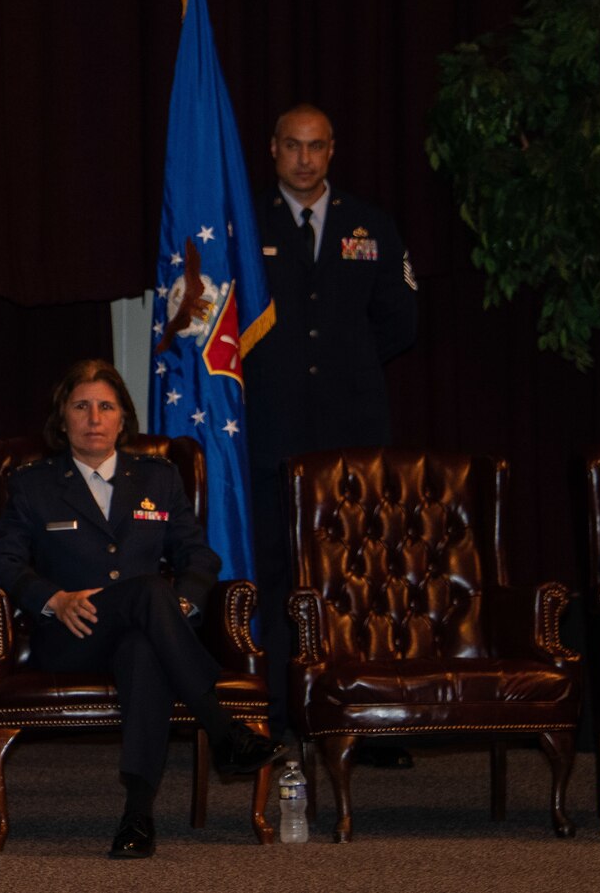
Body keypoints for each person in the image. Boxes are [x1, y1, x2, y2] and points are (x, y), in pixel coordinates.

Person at [0, 360, 285, 859]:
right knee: (147, 593)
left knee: (145, 644)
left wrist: (182, 599)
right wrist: (54, 600)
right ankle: (222, 727)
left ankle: (137, 816)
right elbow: (1, 560)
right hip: (72, 636)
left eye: (106, 406)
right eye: (81, 407)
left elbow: (199, 555)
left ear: (124, 419)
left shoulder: (158, 478)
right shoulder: (32, 485)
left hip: (148, 632)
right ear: (63, 419)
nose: (94, 418)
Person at [244, 103, 417, 762]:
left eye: (317, 146)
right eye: (293, 146)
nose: (306, 158)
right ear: (273, 148)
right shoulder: (243, 220)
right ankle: (282, 712)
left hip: (352, 430)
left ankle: (361, 717)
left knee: (354, 574)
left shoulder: (369, 224)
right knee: (280, 574)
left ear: (333, 149)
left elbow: (402, 321)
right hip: (271, 429)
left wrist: (346, 361)